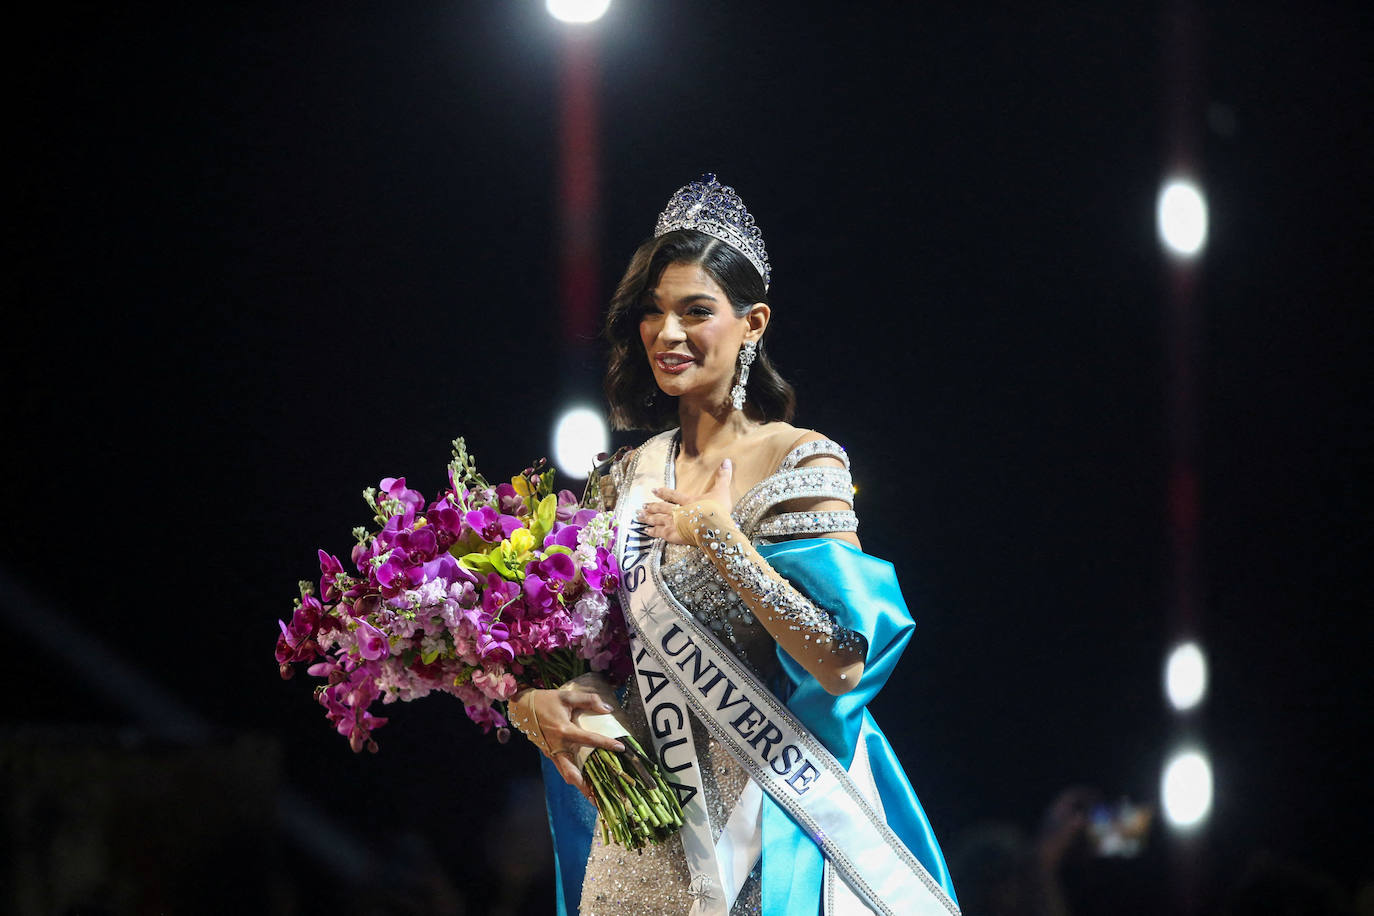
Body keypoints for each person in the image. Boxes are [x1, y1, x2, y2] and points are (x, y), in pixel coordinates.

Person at [508, 174, 960, 916]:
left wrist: (721, 540)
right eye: (652, 313)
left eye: (696, 312)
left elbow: (845, 661)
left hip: (764, 823)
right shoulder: (620, 478)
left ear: (753, 324)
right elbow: (583, 655)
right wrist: (533, 701)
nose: (668, 334)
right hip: (640, 848)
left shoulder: (803, 463)